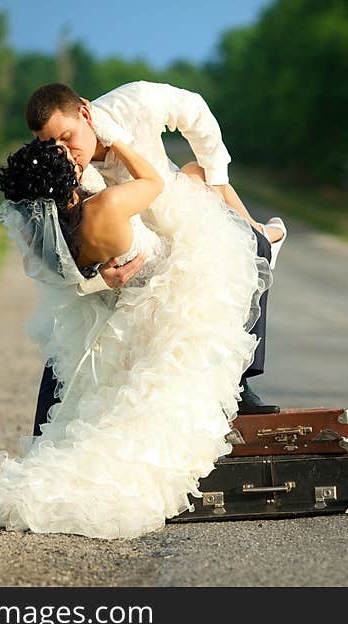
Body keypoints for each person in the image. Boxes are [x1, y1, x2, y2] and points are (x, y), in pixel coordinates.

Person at [0, 127, 272, 539]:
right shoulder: (107, 205)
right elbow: (152, 182)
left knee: (95, 389)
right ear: (71, 182)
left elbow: (70, 280)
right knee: (217, 208)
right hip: (162, 289)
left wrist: (99, 278)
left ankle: (263, 234)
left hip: (119, 305)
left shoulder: (51, 235)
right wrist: (119, 144)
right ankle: (264, 234)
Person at [25, 82, 285, 434]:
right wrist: (99, 276)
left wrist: (217, 178)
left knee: (250, 250)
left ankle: (239, 383)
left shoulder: (135, 102)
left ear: (85, 114)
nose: (63, 152)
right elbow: (57, 256)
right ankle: (48, 431)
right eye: (50, 145)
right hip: (130, 249)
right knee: (80, 329)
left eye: (67, 137)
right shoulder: (63, 173)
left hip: (172, 208)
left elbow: (195, 111)